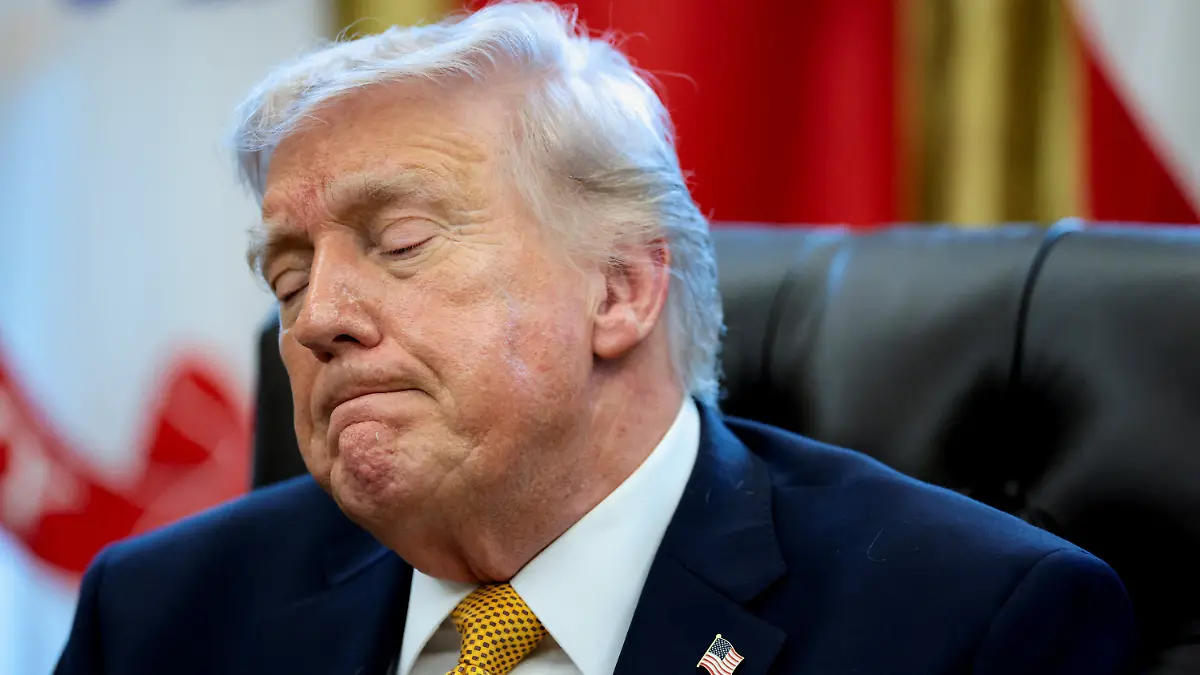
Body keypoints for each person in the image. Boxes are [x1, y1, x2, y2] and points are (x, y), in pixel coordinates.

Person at [55, 3, 1135, 674]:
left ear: (619, 289)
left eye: (400, 242)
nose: (317, 316)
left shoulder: (967, 623)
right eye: (287, 276)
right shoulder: (160, 618)